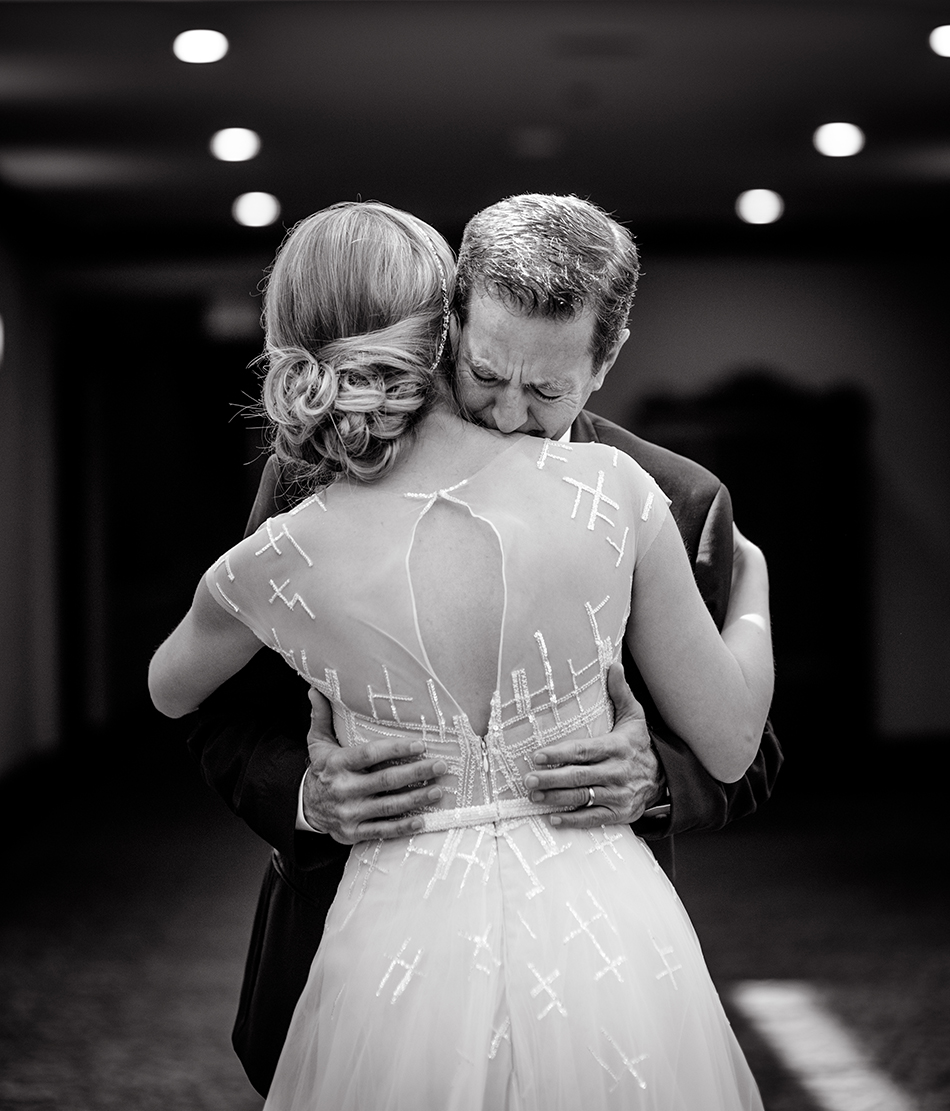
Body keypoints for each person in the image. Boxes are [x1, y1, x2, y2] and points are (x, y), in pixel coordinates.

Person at [150, 199, 773, 1109]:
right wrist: (306, 795)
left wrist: (657, 778)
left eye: (550, 390)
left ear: (609, 355)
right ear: (450, 320)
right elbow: (221, 707)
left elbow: (746, 752)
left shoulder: (678, 497)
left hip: (593, 957)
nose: (512, 414)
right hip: (355, 926)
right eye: (485, 373)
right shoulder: (313, 476)